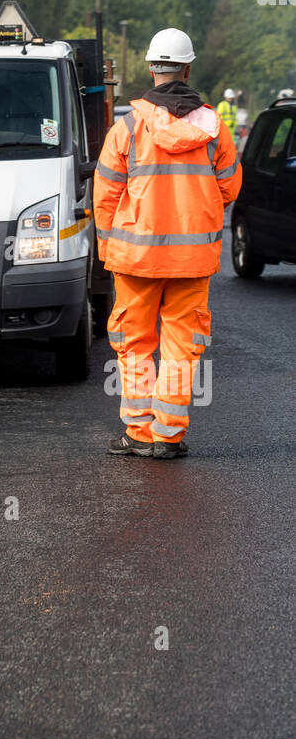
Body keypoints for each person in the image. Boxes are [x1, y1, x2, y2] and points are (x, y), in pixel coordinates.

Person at [93, 28, 242, 459]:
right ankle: (168, 436)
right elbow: (229, 189)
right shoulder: (214, 128)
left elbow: (104, 195)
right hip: (192, 259)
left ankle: (139, 432)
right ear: (187, 69)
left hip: (135, 257)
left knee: (134, 344)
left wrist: (108, 249)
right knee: (181, 347)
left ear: (150, 68)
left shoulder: (127, 127)